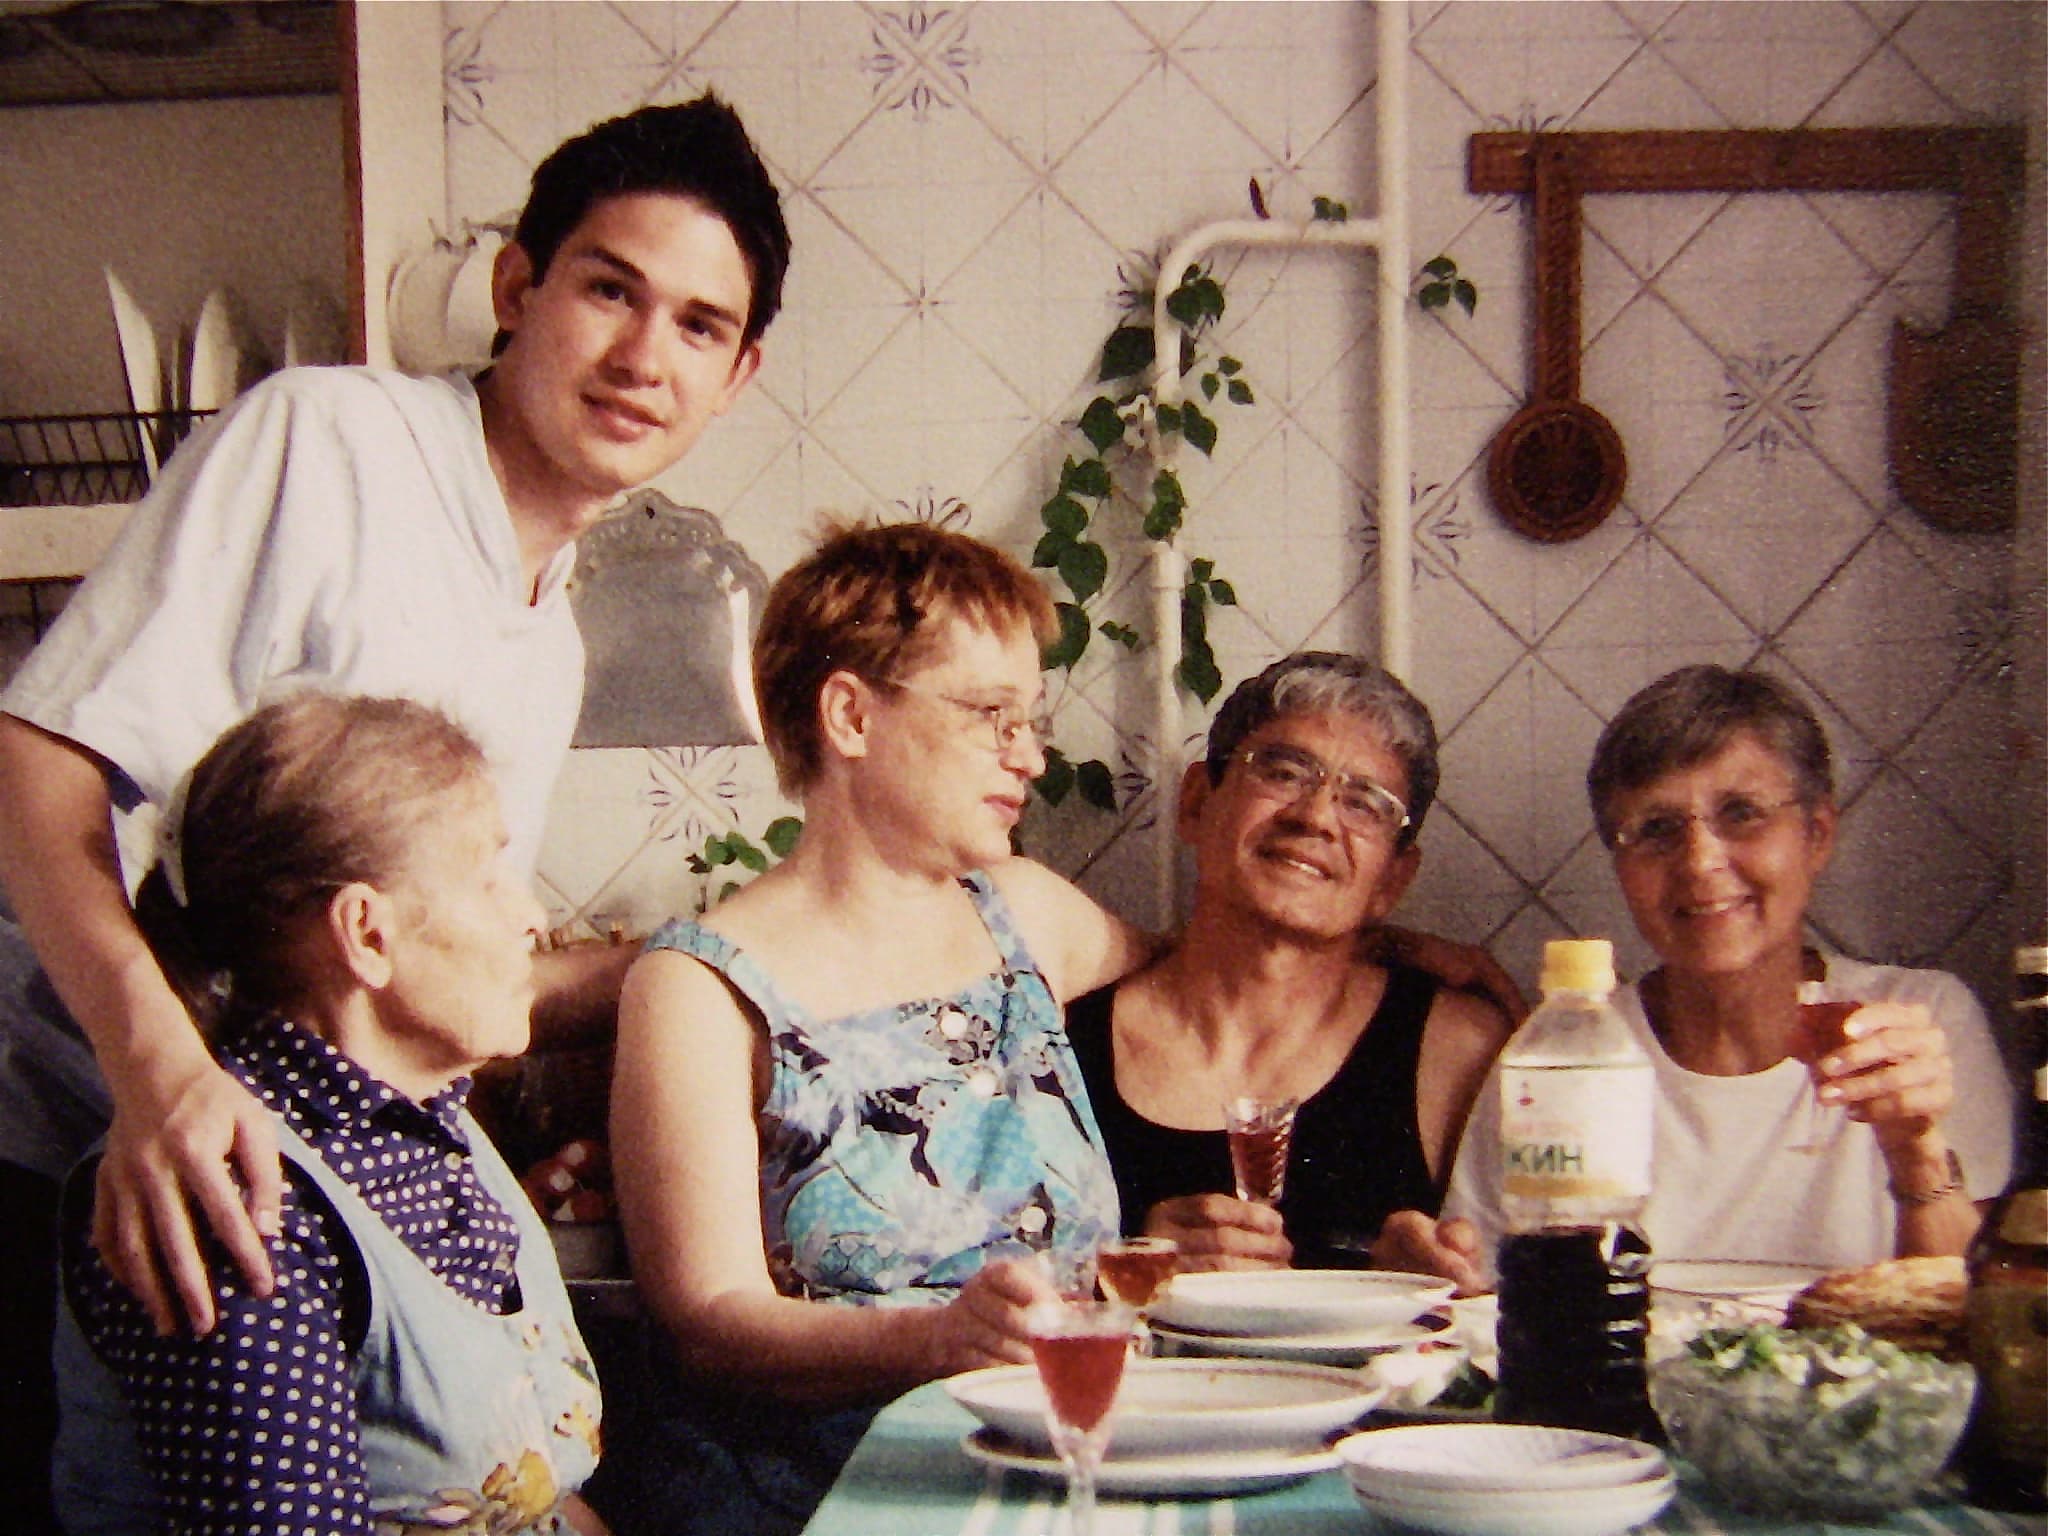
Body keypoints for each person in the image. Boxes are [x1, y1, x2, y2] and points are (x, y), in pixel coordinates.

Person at [0, 93, 785, 1526]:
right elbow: (39, 764)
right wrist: (156, 1074)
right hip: (71, 1126)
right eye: (609, 289)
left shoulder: (549, 641)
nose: (639, 357)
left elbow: (429, 954)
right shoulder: (330, 443)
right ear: (515, 287)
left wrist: (510, 1111)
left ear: (737, 375)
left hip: (246, 1153)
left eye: (695, 325)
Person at [587, 521, 1151, 1536]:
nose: (1026, 754)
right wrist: (932, 1342)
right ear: (848, 714)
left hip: (1067, 1467)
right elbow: (709, 1326)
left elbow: (1202, 980)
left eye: (1029, 718)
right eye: (989, 714)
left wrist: (1419, 955)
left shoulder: (1024, 910)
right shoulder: (695, 986)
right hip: (821, 1490)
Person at [52, 693, 604, 1536]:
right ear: (366, 935)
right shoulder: (237, 1200)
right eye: (491, 877)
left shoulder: (435, 1123)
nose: (531, 918)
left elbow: (546, 1501)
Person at [1383, 664, 2015, 1290]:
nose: (1700, 861)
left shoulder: (1917, 1020)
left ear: (1816, 836)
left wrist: (1916, 1152)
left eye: (1741, 813)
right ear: (1620, 864)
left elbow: (1968, 1323)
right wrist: (1434, 1281)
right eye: (1656, 830)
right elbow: (1493, 1300)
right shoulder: (1562, 1059)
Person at [1066, 652, 1514, 1274]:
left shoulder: (1457, 1048)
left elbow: (1522, 1305)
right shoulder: (1056, 1036)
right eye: (1283, 772)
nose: (1316, 816)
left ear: (1394, 880)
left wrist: (1443, 1290)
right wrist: (1116, 1269)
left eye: (1366, 804)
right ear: (1197, 802)